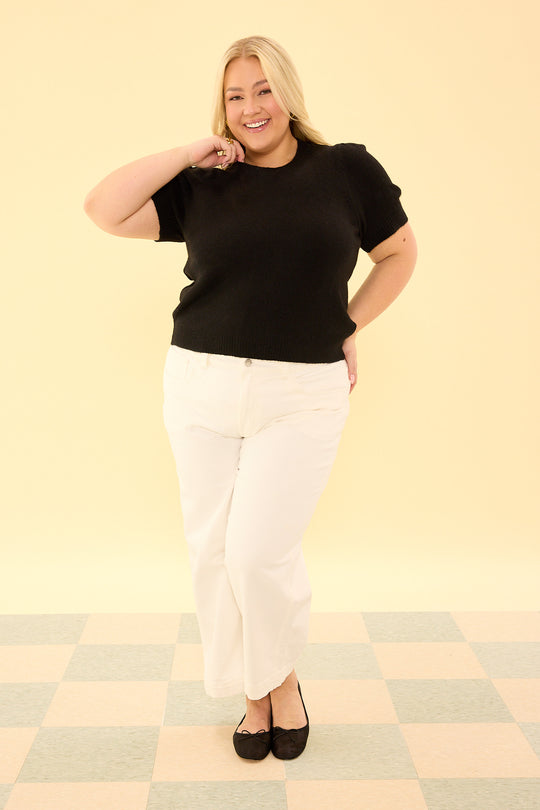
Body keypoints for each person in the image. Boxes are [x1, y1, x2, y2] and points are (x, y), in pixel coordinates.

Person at [83, 34, 417, 761]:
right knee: (212, 551)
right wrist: (189, 151)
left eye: (263, 89)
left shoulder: (346, 169)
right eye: (235, 96)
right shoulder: (204, 182)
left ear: (288, 93)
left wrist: (346, 323)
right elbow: (103, 208)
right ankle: (255, 693)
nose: (251, 107)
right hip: (199, 382)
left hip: (302, 390)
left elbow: (399, 254)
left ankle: (279, 680)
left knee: (258, 552)